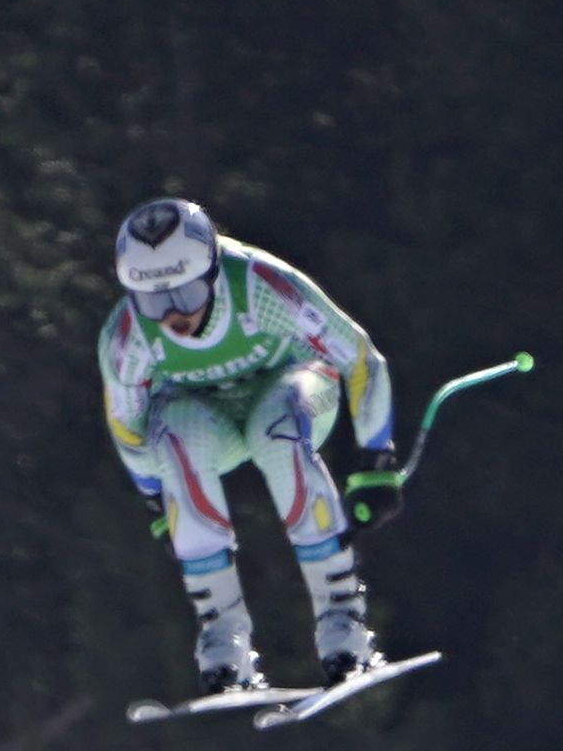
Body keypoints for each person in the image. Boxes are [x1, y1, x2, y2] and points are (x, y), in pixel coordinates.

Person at [101, 198, 398, 691]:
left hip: (296, 390)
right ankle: (223, 637)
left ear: (214, 272)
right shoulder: (128, 336)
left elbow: (360, 357)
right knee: (174, 435)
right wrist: (158, 499)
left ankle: (343, 622)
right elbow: (128, 427)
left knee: (277, 429)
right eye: (154, 301)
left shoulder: (261, 286)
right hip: (207, 418)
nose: (173, 315)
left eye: (188, 293)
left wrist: (376, 459)